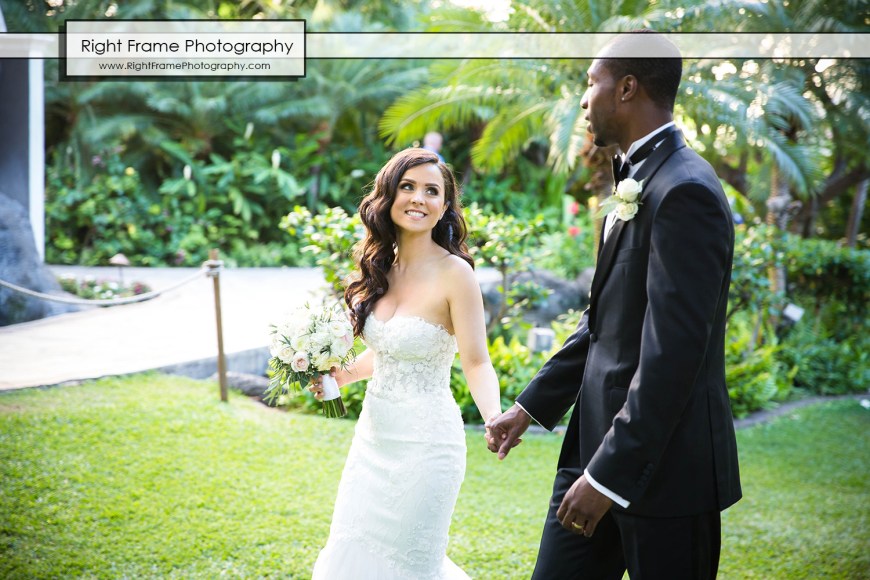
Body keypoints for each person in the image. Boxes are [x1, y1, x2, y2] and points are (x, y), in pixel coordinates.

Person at [486, 31, 742, 579]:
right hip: (591, 453)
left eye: (591, 82)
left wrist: (607, 478)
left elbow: (672, 357)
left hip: (667, 473)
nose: (583, 98)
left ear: (626, 88)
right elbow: (604, 323)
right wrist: (530, 407)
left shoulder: (685, 190)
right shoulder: (634, 180)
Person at [309, 148, 501, 579]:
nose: (418, 198)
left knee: (410, 567)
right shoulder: (381, 269)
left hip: (427, 447)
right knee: (352, 553)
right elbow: (389, 352)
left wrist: (494, 416)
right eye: (408, 186)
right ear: (388, 196)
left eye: (432, 191)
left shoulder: (457, 274)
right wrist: (339, 374)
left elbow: (476, 361)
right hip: (373, 442)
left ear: (445, 207)